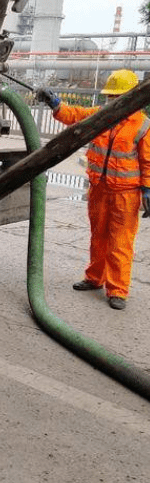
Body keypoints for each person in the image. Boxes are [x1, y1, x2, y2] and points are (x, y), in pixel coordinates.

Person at [37, 70, 150, 310]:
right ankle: (95, 278)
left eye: (116, 97)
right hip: (98, 189)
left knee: (120, 242)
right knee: (98, 237)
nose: (112, 101)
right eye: (110, 97)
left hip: (125, 194)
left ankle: (118, 289)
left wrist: (147, 189)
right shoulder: (101, 116)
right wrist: (55, 103)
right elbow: (74, 115)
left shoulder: (142, 125)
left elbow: (148, 162)